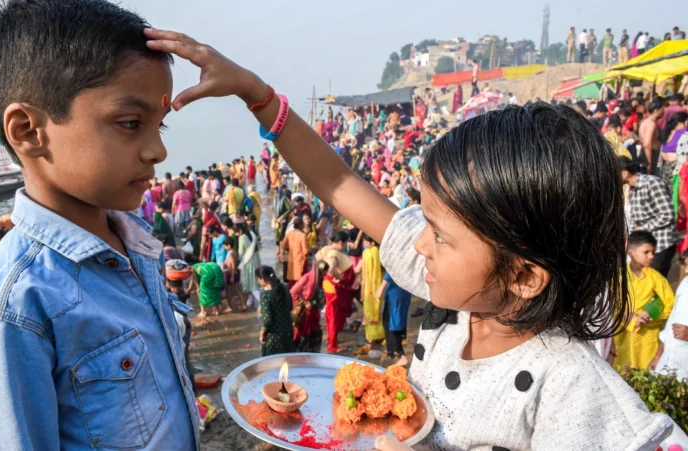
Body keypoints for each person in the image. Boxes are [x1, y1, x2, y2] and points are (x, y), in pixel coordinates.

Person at [147, 29, 673, 449]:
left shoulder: (572, 392)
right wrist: (256, 94)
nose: (418, 245)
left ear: (524, 275)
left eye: (439, 236)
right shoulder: (459, 297)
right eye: (423, 222)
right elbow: (341, 184)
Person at [0, 5, 200, 450]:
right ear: (28, 131)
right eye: (131, 124)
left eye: (161, 126)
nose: (158, 150)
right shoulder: (13, 311)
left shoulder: (132, 240)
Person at [613, 231, 675, 371]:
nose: (651, 256)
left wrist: (650, 317)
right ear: (631, 252)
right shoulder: (619, 277)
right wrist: (631, 318)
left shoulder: (657, 278)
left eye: (653, 252)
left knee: (644, 379)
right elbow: (611, 304)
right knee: (621, 374)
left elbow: (671, 305)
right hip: (622, 337)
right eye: (646, 252)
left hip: (647, 339)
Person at [620, 157, 677, 277]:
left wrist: (643, 228)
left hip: (661, 244)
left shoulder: (652, 183)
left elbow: (667, 214)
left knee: (657, 284)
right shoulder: (632, 189)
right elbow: (636, 220)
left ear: (625, 172)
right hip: (646, 245)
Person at [650, 265, 688, 380]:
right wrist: (657, 356)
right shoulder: (685, 283)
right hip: (668, 363)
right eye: (686, 264)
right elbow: (672, 320)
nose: (686, 270)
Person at [290, 260, 328, 353]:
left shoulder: (319, 279)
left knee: (315, 331)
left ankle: (313, 353)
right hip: (304, 312)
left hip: (313, 311)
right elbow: (293, 291)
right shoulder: (306, 278)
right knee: (303, 333)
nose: (324, 274)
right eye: (323, 272)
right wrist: (304, 302)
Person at [256, 266, 294, 356]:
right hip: (287, 330)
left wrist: (262, 333)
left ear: (262, 279)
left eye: (258, 279)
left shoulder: (265, 295)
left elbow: (268, 320)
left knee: (273, 363)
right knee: (287, 360)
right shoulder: (284, 288)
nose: (257, 281)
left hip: (274, 336)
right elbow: (290, 306)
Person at [376, 272, 412, 366]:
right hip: (403, 288)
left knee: (391, 322)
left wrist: (381, 288)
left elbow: (392, 269)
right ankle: (393, 353)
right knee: (396, 320)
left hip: (396, 289)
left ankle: (400, 355)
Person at [358, 236, 384, 344]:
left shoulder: (369, 252)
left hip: (370, 286)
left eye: (365, 241)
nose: (364, 243)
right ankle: (378, 334)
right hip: (376, 285)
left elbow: (364, 271)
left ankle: (372, 336)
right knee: (376, 308)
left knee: (371, 308)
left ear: (372, 242)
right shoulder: (375, 252)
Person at [660, 112, 688, 192]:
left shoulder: (666, 132)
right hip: (676, 167)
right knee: (676, 192)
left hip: (666, 167)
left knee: (667, 192)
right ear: (680, 123)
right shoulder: (683, 131)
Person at [279, 217, 308, 286]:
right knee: (300, 281)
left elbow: (282, 245)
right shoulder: (302, 235)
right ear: (301, 225)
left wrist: (289, 249)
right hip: (300, 260)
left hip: (291, 258)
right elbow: (305, 251)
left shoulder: (289, 234)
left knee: (291, 278)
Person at [640, 99, 665, 174]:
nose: (663, 112)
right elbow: (647, 144)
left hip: (647, 154)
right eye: (662, 110)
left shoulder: (646, 121)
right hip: (651, 155)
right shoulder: (651, 124)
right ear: (656, 111)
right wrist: (650, 162)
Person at [221, 238, 243, 312]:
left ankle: (229, 307)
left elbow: (233, 265)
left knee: (228, 291)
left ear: (229, 245)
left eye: (225, 245)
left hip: (231, 274)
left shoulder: (230, 254)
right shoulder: (234, 252)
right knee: (237, 289)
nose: (224, 247)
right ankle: (243, 304)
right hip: (236, 272)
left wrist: (232, 276)